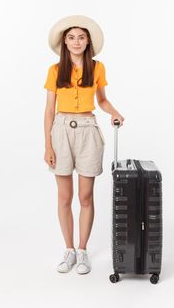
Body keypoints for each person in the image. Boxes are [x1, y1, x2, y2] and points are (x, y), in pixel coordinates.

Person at [43, 15, 124, 275]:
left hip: (88, 130)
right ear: (64, 43)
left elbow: (102, 100)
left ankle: (83, 250)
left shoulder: (97, 67)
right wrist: (48, 146)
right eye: (71, 37)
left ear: (87, 40)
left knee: (85, 196)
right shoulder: (55, 70)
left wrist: (114, 112)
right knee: (64, 196)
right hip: (61, 131)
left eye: (81, 37)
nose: (76, 42)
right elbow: (48, 110)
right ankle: (68, 250)